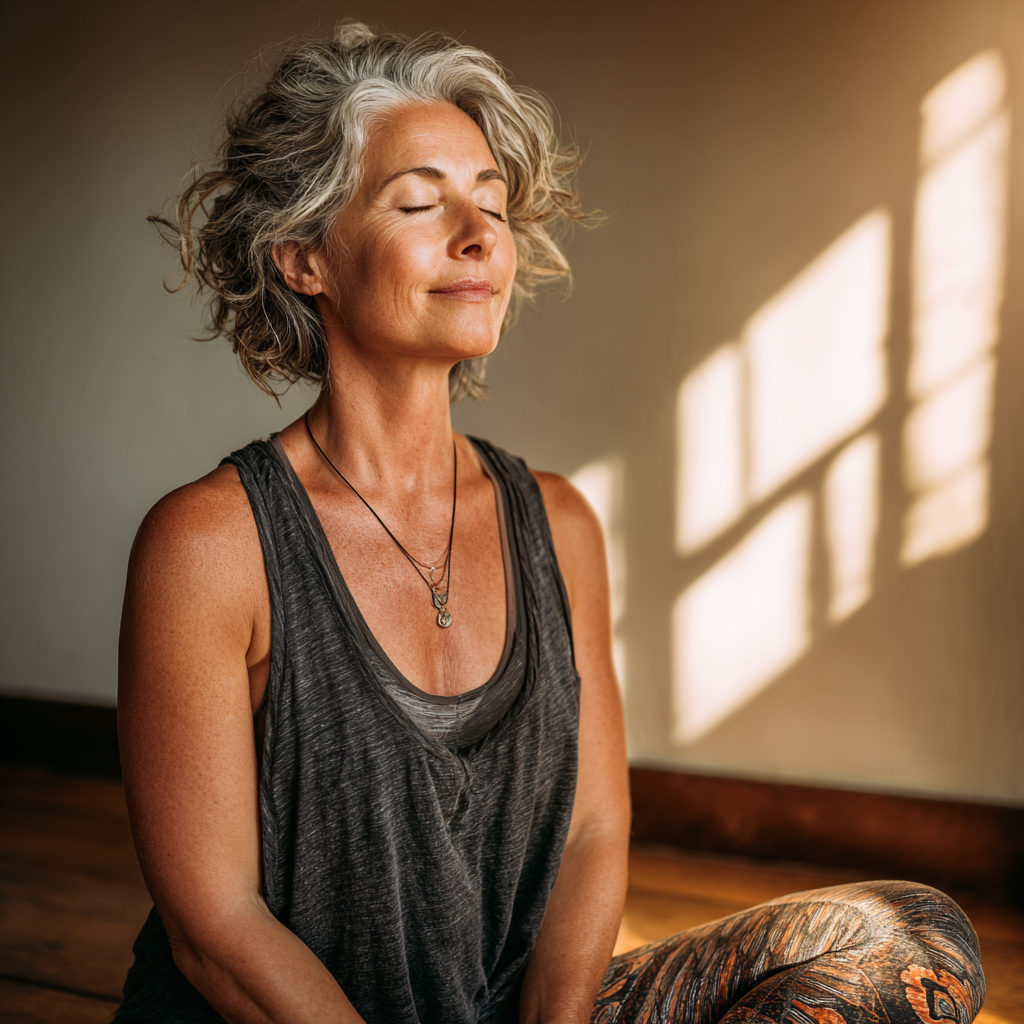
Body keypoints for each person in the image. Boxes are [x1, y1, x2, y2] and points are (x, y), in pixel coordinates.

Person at [115, 22, 985, 1024]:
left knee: (909, 936)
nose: (481, 234)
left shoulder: (558, 523)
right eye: (419, 202)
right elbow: (215, 926)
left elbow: (587, 833)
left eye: (490, 203)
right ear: (305, 256)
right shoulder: (210, 547)